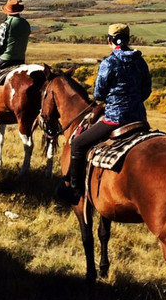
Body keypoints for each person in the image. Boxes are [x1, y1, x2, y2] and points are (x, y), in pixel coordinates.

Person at [57, 23, 152, 205]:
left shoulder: (109, 63)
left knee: (77, 143)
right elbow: (146, 91)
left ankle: (75, 191)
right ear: (128, 40)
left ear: (109, 40)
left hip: (115, 119)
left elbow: (99, 94)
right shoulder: (140, 61)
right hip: (139, 118)